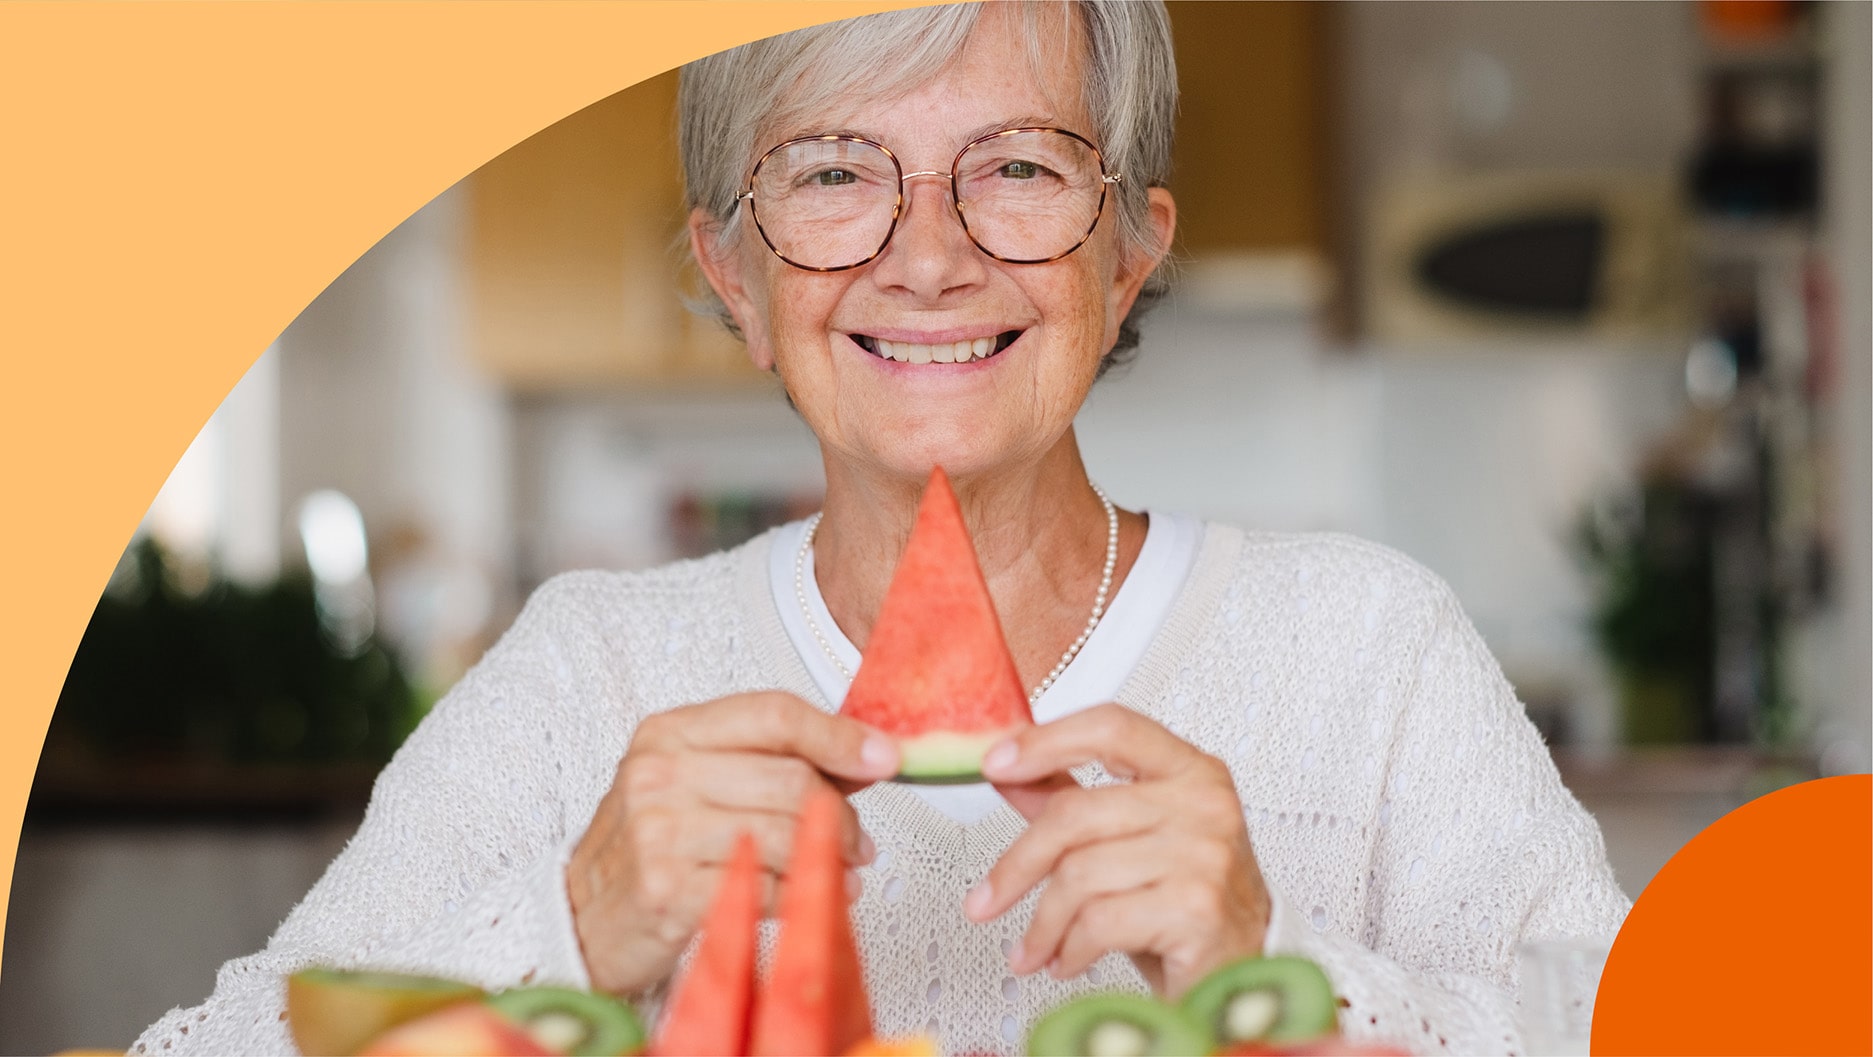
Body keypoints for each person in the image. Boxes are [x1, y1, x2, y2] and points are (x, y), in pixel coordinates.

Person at [133, 4, 1629, 1054]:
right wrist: (565, 921)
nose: (928, 255)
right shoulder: (587, 679)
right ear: (733, 273)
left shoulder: (1363, 650)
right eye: (834, 174)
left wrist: (1278, 974)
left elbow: (1646, 1032)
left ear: (1128, 253)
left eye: (1022, 169)